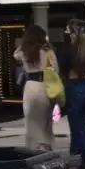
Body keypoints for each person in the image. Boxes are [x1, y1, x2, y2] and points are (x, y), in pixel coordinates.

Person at [56, 20, 85, 169]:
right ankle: (84, 153)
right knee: (83, 122)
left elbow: (62, 68)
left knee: (77, 123)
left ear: (74, 32)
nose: (66, 32)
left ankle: (84, 154)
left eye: (68, 29)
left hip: (74, 87)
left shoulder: (68, 49)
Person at [16, 24, 55, 152]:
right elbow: (56, 69)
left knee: (30, 121)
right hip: (44, 85)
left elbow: (15, 54)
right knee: (45, 122)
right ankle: (46, 148)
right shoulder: (47, 51)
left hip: (30, 87)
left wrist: (25, 44)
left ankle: (32, 149)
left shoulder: (23, 52)